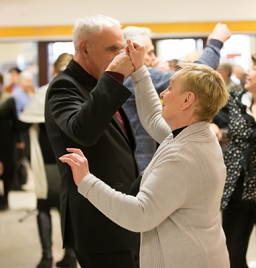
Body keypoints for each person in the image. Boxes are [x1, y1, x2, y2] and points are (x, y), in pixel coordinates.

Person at [59, 39, 230, 268]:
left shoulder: (182, 156)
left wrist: (86, 180)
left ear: (188, 100)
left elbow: (139, 214)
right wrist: (139, 70)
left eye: (170, 88)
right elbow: (152, 118)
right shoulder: (194, 134)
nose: (163, 94)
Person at [45, 15, 139, 268]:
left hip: (121, 214)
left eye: (121, 48)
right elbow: (84, 130)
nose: (120, 55)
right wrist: (115, 74)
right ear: (84, 48)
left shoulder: (100, 84)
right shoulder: (64, 86)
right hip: (98, 222)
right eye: (112, 49)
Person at [122, 23, 231, 171]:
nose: (153, 58)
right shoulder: (132, 74)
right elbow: (195, 79)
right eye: (149, 53)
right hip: (140, 165)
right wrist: (215, 43)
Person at [20, 53, 76, 268]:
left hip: (49, 160)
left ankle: (47, 256)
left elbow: (23, 124)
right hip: (69, 159)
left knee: (45, 206)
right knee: (67, 208)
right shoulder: (78, 90)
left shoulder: (45, 91)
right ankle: (68, 256)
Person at [220, 52, 256, 268]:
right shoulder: (235, 100)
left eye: (254, 68)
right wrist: (214, 128)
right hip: (236, 192)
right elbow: (209, 116)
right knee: (232, 255)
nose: (247, 72)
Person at [0, 73, 24, 210]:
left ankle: (5, 197)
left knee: (8, 169)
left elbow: (15, 120)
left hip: (6, 139)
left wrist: (19, 139)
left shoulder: (8, 99)